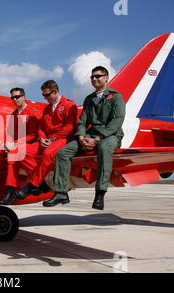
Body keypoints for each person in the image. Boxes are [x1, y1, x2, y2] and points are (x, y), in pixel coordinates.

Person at [46, 66, 125, 210]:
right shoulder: (89, 99)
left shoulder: (116, 96)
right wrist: (82, 137)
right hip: (90, 134)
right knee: (63, 153)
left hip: (111, 135)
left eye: (98, 76)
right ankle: (61, 192)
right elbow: (82, 121)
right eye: (92, 77)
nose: (94, 79)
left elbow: (117, 121)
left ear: (106, 77)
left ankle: (100, 193)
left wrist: (97, 139)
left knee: (103, 149)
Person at [13, 80, 78, 201]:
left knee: (48, 154)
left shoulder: (69, 105)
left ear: (55, 92)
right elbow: (41, 127)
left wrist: (53, 139)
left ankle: (31, 186)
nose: (45, 98)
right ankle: (41, 183)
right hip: (47, 139)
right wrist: (42, 138)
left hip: (63, 138)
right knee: (19, 151)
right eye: (43, 95)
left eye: (47, 95)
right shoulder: (47, 108)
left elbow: (69, 128)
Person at [0, 87, 41, 203]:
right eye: (13, 97)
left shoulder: (32, 113)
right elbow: (10, 133)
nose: (15, 100)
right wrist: (7, 144)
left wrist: (14, 144)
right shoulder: (14, 114)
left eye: (17, 97)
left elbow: (33, 135)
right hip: (15, 145)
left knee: (13, 153)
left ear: (24, 97)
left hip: (30, 144)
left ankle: (10, 190)